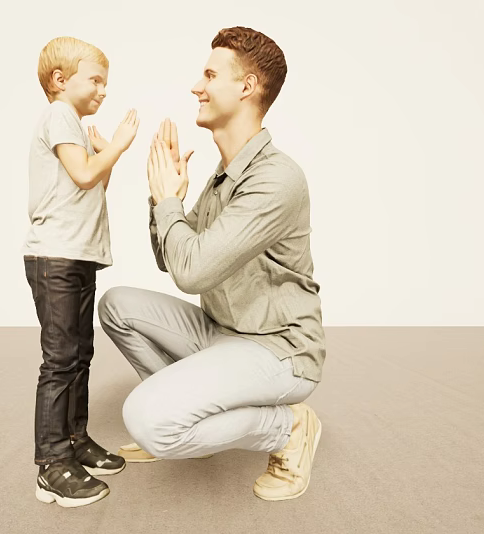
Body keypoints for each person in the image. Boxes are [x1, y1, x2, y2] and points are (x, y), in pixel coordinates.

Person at [98, 26, 326, 501]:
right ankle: (194, 421)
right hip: (220, 331)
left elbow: (193, 272)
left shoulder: (276, 179)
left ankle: (287, 430)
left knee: (146, 421)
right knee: (117, 305)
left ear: (246, 87)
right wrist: (165, 198)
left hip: (278, 350)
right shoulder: (222, 176)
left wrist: (168, 202)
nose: (195, 87)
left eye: (209, 75)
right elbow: (170, 260)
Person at [22, 36, 139, 508]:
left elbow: (94, 181)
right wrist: (121, 147)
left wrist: (107, 155)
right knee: (60, 360)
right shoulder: (58, 116)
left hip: (78, 255)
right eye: (95, 79)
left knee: (80, 354)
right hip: (55, 257)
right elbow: (86, 174)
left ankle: (75, 440)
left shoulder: (73, 124)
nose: (104, 90)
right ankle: (51, 464)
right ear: (60, 80)